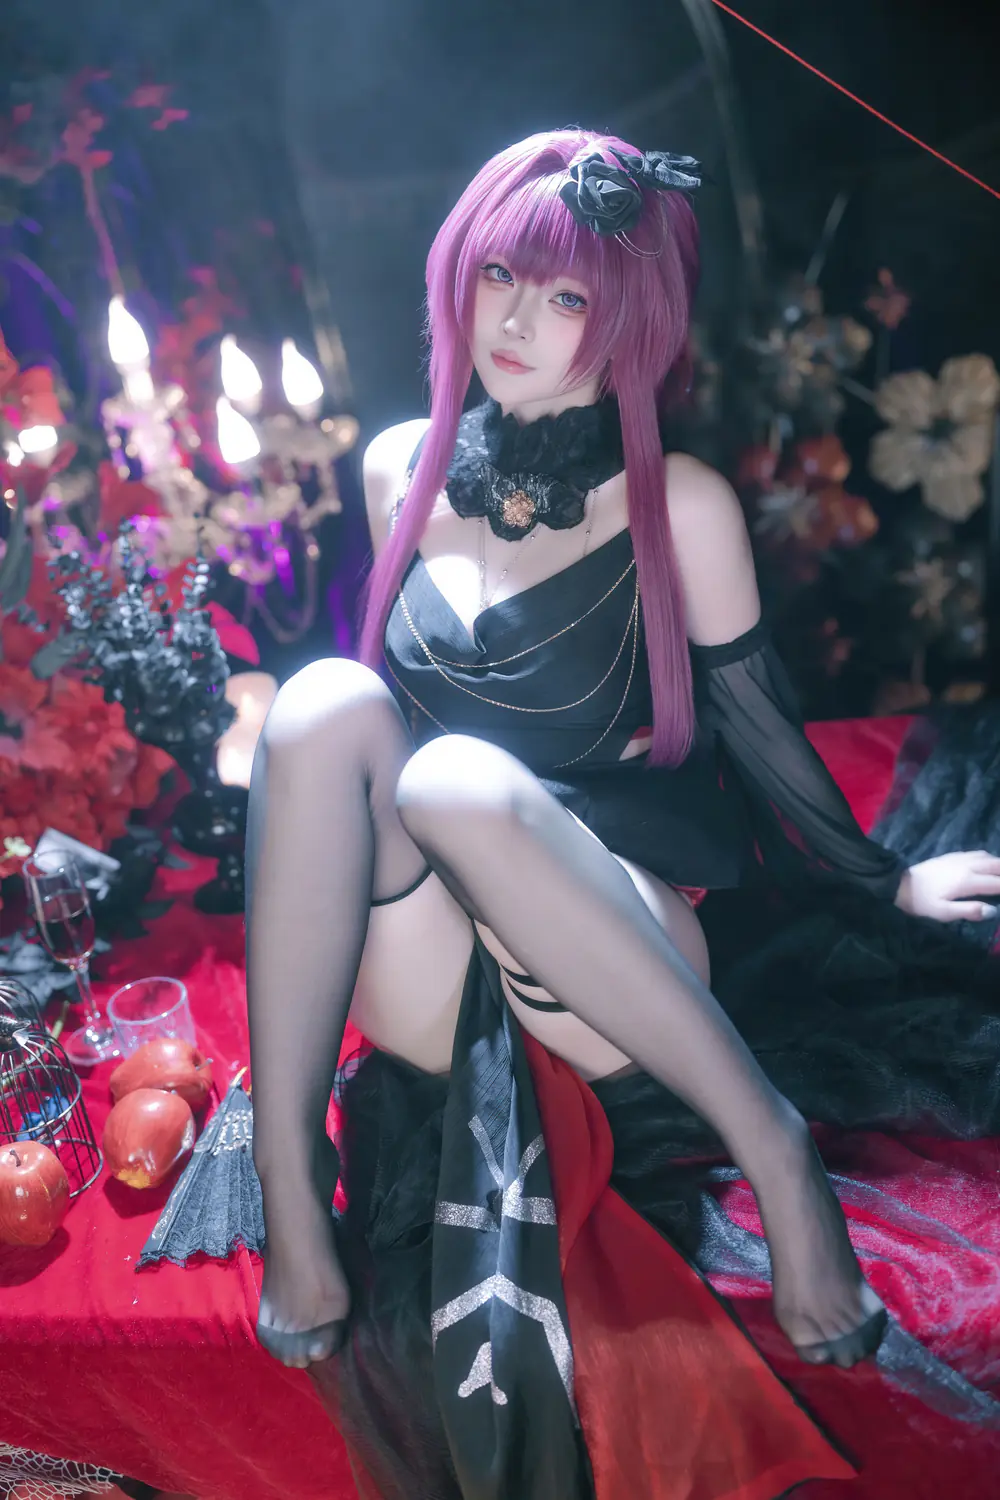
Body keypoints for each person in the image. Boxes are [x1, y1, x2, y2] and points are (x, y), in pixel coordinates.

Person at [245, 129, 1000, 1499]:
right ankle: (292, 1190)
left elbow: (759, 728)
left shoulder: (678, 505)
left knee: (454, 779)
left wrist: (882, 883)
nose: (517, 322)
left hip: (617, 953)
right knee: (321, 702)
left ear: (628, 322)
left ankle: (774, 1150)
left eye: (565, 297)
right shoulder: (398, 464)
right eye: (499, 279)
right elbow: (364, 744)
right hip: (444, 962)